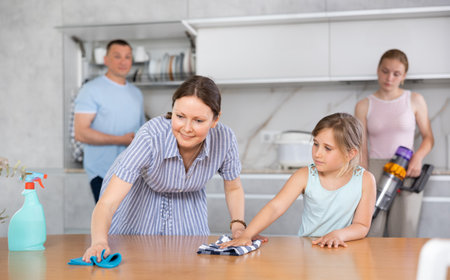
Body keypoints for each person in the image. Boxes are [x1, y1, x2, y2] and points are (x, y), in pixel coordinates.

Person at [82, 75, 250, 262]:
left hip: (188, 206)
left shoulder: (224, 139)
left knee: (191, 267)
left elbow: (233, 187)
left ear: (215, 120)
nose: (187, 128)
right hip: (139, 203)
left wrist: (238, 226)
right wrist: (98, 242)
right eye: (180, 116)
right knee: (135, 265)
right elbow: (107, 203)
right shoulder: (150, 137)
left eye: (198, 121)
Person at [221, 113, 376, 249]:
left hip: (346, 248)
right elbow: (275, 207)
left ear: (350, 153)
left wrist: (338, 235)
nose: (318, 154)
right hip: (310, 248)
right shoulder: (305, 175)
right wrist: (246, 235)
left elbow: (361, 225)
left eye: (327, 148)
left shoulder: (365, 180)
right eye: (316, 144)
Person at [355, 49, 434, 237]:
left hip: (407, 169)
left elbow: (429, 137)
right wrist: (363, 177)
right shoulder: (364, 105)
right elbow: (361, 146)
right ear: (378, 70)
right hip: (374, 170)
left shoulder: (415, 100)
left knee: (404, 234)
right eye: (385, 71)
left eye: (396, 73)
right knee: (371, 230)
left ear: (403, 76)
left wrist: (417, 158)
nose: (389, 77)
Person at [74, 39, 146, 203]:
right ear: (106, 60)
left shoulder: (136, 94)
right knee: (110, 225)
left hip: (132, 172)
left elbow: (142, 132)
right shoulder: (91, 90)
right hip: (102, 173)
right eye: (117, 56)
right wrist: (120, 140)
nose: (123, 61)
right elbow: (81, 133)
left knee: (133, 226)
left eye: (127, 57)